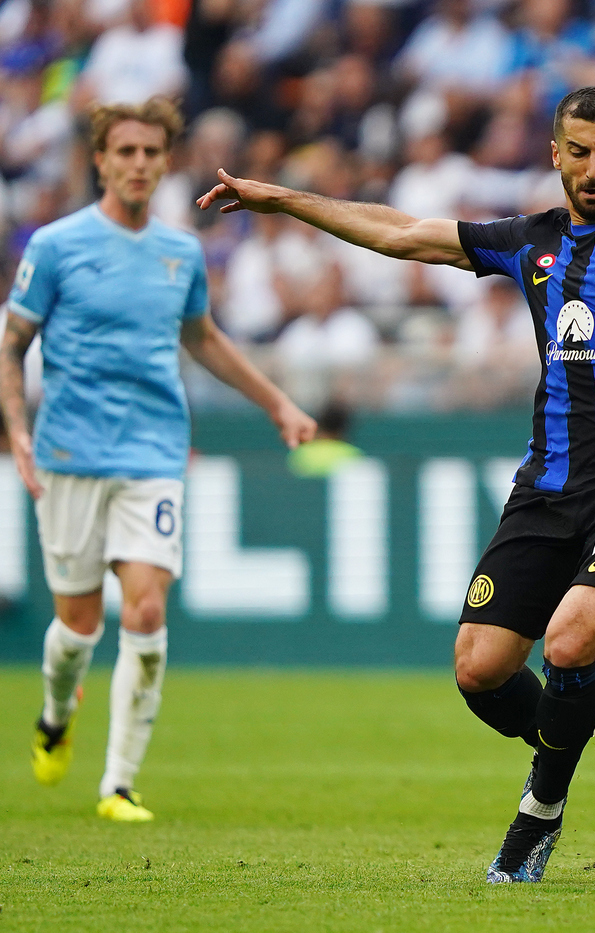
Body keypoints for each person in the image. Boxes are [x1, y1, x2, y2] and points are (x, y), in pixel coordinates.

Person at [198, 85, 595, 883]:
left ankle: (539, 811)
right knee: (479, 667)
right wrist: (282, 200)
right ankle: (565, 730)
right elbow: (403, 234)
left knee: (568, 639)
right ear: (556, 155)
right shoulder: (530, 241)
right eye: (580, 153)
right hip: (549, 483)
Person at [1, 97, 317, 822]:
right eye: (126, 152)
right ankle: (55, 714)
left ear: (164, 161)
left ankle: (118, 783)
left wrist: (277, 403)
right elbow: (12, 346)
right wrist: (17, 430)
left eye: (151, 153)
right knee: (76, 629)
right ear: (101, 160)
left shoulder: (181, 252)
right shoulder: (55, 246)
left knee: (145, 607)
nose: (139, 164)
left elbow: (203, 338)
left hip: (153, 452)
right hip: (70, 454)